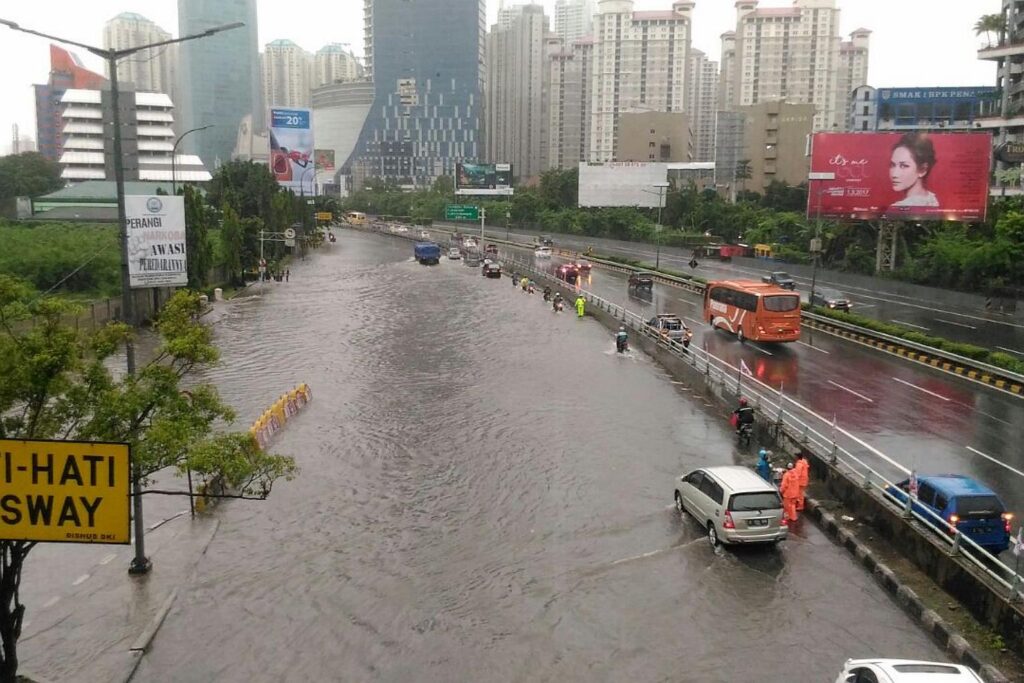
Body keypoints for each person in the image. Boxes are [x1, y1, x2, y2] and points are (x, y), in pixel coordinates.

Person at [888, 132, 939, 209]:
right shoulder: (931, 200)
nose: (894, 174)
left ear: (922, 170)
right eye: (893, 165)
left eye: (904, 166)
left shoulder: (898, 208)